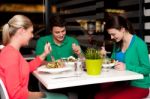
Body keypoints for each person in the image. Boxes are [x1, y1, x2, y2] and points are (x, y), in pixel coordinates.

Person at [0, 15, 68, 99]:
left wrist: (44, 54)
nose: (32, 36)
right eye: (31, 32)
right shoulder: (10, 55)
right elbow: (15, 94)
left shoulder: (11, 51)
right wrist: (40, 95)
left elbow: (26, 67)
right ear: (22, 31)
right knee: (63, 97)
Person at [95, 15, 150, 99]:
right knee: (99, 96)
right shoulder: (117, 44)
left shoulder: (140, 44)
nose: (111, 37)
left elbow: (146, 70)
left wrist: (126, 66)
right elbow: (113, 62)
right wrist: (104, 56)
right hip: (122, 83)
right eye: (110, 35)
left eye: (113, 34)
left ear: (122, 29)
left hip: (139, 86)